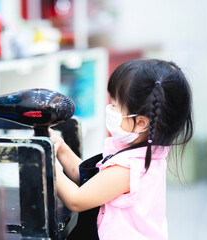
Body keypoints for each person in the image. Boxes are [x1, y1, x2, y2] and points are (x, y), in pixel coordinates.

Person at [50, 58, 193, 240]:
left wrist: (47, 162)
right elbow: (91, 180)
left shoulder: (129, 168)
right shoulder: (147, 153)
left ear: (141, 123)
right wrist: (61, 148)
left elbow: (76, 199)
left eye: (115, 105)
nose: (109, 108)